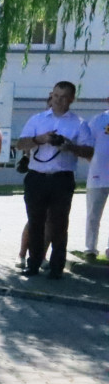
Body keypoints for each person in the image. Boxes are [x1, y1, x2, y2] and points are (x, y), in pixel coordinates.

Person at [17, 81, 94, 279]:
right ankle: (33, 263)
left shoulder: (79, 123)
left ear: (71, 99)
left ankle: (56, 267)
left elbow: (89, 151)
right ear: (51, 96)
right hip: (37, 177)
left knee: (59, 224)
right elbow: (20, 144)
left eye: (63, 97)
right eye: (55, 96)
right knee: (36, 222)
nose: (58, 101)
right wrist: (39, 139)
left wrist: (70, 147)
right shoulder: (37, 119)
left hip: (62, 178)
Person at [84, 97, 109, 261]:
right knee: (93, 215)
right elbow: (87, 146)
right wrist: (94, 163)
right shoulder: (98, 120)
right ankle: (90, 248)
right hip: (98, 175)